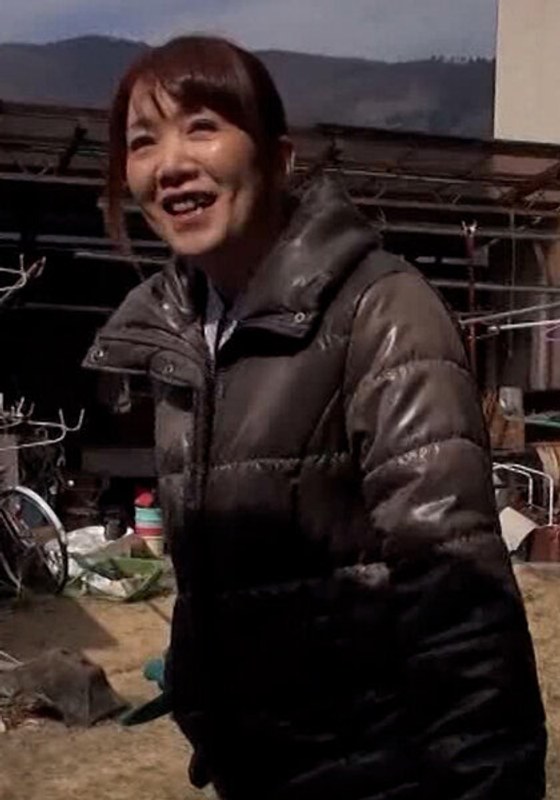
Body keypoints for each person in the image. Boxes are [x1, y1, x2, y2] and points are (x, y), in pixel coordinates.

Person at [84, 35, 546, 800]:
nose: (171, 163)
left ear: (279, 157)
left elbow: (458, 602)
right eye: (142, 141)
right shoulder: (181, 336)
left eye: (202, 127)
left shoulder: (379, 313)